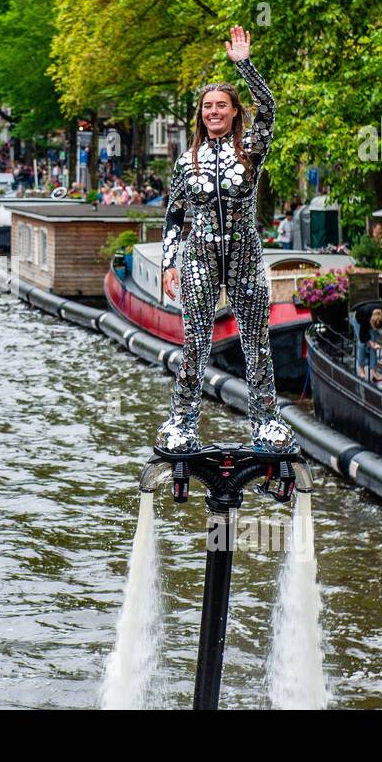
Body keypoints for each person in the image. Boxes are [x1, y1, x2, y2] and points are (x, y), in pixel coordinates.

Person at [156, 26, 295, 454]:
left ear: (235, 112)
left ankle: (267, 421)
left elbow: (269, 109)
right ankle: (182, 422)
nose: (213, 112)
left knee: (256, 338)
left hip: (243, 253)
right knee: (196, 339)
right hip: (198, 255)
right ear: (200, 115)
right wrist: (168, 263)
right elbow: (174, 215)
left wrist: (244, 65)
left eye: (221, 106)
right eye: (207, 107)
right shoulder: (185, 162)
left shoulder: (250, 148)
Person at [352, 298, 382, 379]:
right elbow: (363, 336)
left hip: (371, 320)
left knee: (373, 346)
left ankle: (374, 371)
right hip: (358, 321)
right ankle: (361, 369)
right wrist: (371, 342)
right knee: (362, 344)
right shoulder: (365, 314)